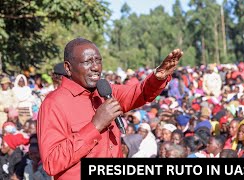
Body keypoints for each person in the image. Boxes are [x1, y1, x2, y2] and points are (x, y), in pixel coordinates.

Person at [37, 37, 183, 179]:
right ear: (68, 68)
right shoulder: (54, 104)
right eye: (87, 62)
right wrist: (95, 126)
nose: (95, 67)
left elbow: (140, 93)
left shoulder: (105, 91)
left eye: (98, 60)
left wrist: (158, 77)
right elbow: (51, 162)